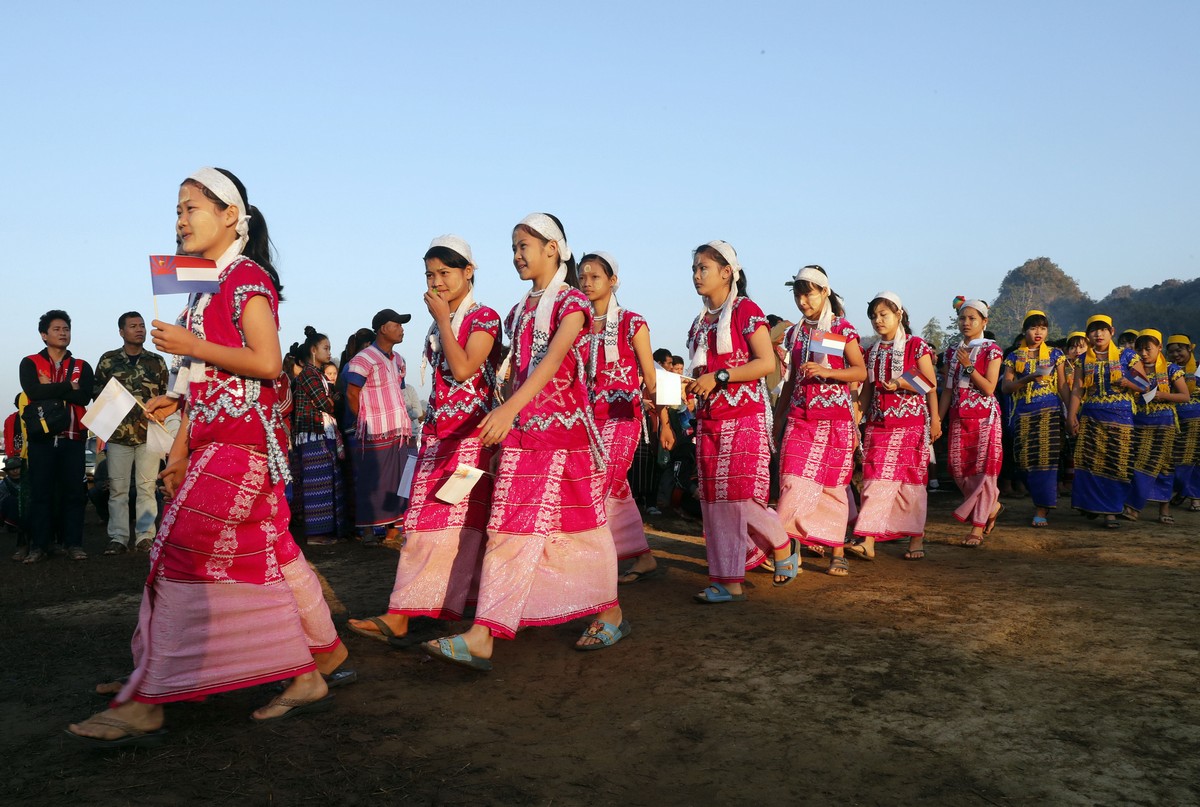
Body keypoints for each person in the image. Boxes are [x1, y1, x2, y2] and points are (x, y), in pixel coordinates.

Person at [67, 167, 343, 747]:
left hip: (244, 446)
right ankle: (320, 659)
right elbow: (205, 379)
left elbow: (268, 363)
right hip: (222, 441)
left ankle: (148, 696)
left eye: (190, 207)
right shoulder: (204, 288)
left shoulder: (246, 279)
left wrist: (193, 348)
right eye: (177, 210)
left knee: (178, 552)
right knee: (272, 556)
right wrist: (184, 441)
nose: (180, 220)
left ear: (229, 216)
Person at [423, 213, 627, 670]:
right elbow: (514, 373)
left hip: (563, 437)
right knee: (510, 527)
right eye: (514, 247)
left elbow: (553, 362)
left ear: (553, 248)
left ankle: (608, 609)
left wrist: (508, 409)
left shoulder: (572, 303)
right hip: (524, 436)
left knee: (578, 529)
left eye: (524, 246)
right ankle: (483, 633)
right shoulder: (519, 310)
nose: (517, 256)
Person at [348, 235, 501, 644]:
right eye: (430, 274)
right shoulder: (439, 324)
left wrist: (446, 322)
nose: (437, 282)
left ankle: (456, 613)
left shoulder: (484, 318)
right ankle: (408, 611)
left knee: (459, 525)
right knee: (425, 525)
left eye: (445, 273)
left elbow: (466, 368)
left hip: (472, 439)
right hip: (436, 438)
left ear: (469, 272)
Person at [685, 241, 795, 602]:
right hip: (710, 418)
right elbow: (702, 370)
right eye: (695, 268)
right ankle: (733, 574)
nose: (697, 274)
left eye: (704, 268)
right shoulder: (701, 322)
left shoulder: (746, 310)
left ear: (726, 272)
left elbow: (766, 363)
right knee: (714, 501)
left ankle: (761, 558)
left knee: (734, 498)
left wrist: (718, 378)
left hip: (744, 415)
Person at [579, 251, 673, 584]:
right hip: (590, 421)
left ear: (613, 280)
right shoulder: (578, 324)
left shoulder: (634, 322)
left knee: (603, 483)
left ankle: (592, 563)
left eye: (595, 277)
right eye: (583, 278)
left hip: (623, 418)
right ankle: (642, 555)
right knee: (616, 489)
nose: (588, 283)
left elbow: (652, 377)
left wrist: (664, 421)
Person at [774, 265, 865, 576]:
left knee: (832, 485)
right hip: (800, 417)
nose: (803, 301)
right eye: (798, 295)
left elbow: (859, 371)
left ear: (825, 292)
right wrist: (778, 418)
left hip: (835, 419)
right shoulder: (795, 332)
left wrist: (828, 372)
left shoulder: (841, 328)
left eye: (808, 293)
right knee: (791, 481)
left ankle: (836, 551)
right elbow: (789, 381)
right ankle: (788, 546)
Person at [850, 292, 940, 561]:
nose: (878, 320)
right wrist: (856, 420)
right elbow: (866, 392)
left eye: (883, 315)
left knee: (911, 483)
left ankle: (915, 538)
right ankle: (868, 539)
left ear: (899, 315)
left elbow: (930, 384)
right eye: (874, 316)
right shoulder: (871, 351)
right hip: (878, 424)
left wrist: (933, 417)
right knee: (874, 481)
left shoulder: (917, 346)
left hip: (910, 425)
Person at [19, 310, 94, 563]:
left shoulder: (82, 366)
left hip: (73, 438)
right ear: (44, 335)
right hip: (41, 439)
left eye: (66, 329)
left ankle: (73, 544)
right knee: (41, 493)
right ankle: (39, 545)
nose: (63, 333)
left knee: (74, 493)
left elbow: (84, 397)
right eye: (57, 329)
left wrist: (49, 388)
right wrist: (65, 387)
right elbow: (32, 391)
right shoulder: (30, 362)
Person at [93, 311, 169, 554]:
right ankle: (118, 537)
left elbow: (167, 396)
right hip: (118, 436)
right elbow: (97, 394)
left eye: (142, 325)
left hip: (149, 435)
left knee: (147, 487)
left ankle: (145, 536)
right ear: (121, 331)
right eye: (133, 326)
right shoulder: (108, 360)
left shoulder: (157, 362)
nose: (140, 330)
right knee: (118, 490)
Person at [937, 299, 1003, 547]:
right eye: (963, 318)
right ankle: (992, 505)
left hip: (985, 418)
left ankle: (976, 528)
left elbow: (988, 388)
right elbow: (947, 390)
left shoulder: (992, 350)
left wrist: (968, 367)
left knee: (983, 473)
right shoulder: (953, 351)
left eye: (972, 318)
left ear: (984, 321)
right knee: (957, 469)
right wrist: (938, 420)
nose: (966, 323)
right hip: (958, 417)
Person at [344, 310, 413, 544]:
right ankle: (368, 530)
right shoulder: (363, 359)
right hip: (375, 429)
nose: (402, 329)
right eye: (398, 325)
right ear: (383, 328)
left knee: (399, 480)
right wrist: (364, 420)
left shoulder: (400, 360)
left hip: (399, 429)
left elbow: (399, 390)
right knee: (373, 480)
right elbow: (352, 393)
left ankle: (394, 528)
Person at [1066, 314, 1142, 528]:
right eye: (1093, 330)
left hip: (1121, 417)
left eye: (1103, 329)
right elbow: (1077, 391)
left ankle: (1111, 511)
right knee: (1089, 462)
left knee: (1116, 463)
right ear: (1088, 334)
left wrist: (1128, 382)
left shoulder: (1127, 356)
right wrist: (1071, 416)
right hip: (1091, 416)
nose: (1098, 334)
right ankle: (1092, 505)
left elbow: (1146, 385)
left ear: (1112, 331)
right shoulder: (1083, 360)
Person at [1000, 311, 1068, 527]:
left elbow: (1063, 386)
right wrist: (1028, 378)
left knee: (1046, 460)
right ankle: (1041, 500)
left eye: (1043, 328)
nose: (1038, 332)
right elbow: (1006, 387)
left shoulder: (1056, 354)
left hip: (1050, 412)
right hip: (1024, 413)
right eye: (1033, 327)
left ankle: (1042, 507)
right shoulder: (1013, 357)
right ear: (1024, 330)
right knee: (1025, 462)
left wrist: (1072, 413)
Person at [1123, 329, 1189, 524]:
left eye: (1147, 349)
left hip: (1164, 423)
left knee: (1157, 464)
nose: (1143, 354)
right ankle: (1162, 509)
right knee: (1145, 463)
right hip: (1140, 421)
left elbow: (1184, 396)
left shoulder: (1171, 369)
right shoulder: (1133, 370)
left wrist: (1163, 395)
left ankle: (1137, 507)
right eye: (1140, 349)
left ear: (1159, 348)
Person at [288, 327, 346, 545]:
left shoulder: (317, 375)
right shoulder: (309, 376)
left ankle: (323, 532)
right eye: (325, 348)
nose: (329, 353)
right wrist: (332, 400)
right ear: (313, 350)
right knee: (317, 483)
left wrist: (331, 400)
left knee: (325, 481)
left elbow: (329, 401)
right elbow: (325, 403)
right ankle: (316, 534)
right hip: (313, 434)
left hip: (320, 432)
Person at [1165, 334, 1200, 511]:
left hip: (1197, 421)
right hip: (1174, 420)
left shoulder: (1199, 368)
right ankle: (1183, 490)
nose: (1176, 354)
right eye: (1171, 352)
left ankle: (1195, 497)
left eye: (1179, 350)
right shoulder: (1167, 369)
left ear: (1189, 349)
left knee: (1195, 460)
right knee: (1176, 460)